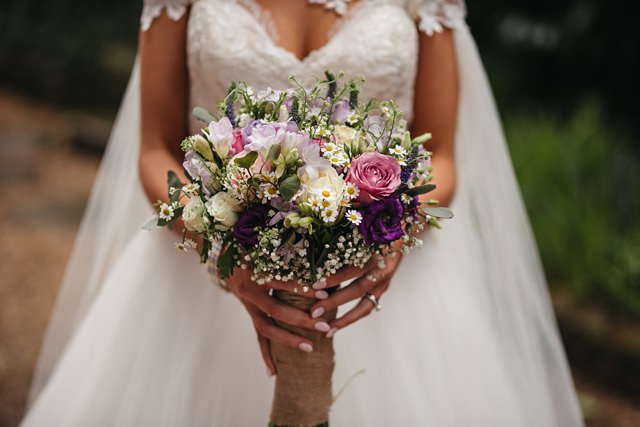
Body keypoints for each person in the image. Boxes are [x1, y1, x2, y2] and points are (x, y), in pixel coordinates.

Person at [22, 0, 585, 425]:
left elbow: (442, 156)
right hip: (202, 271)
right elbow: (154, 149)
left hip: (380, 288)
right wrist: (222, 255)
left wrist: (392, 236)